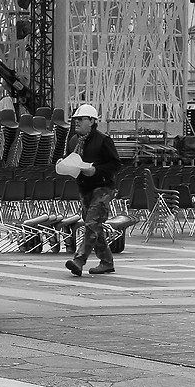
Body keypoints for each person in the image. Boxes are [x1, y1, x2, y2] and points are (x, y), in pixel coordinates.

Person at [63, 103, 124, 277]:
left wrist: (96, 170)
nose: (77, 123)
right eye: (76, 119)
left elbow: (116, 164)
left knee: (91, 223)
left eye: (81, 119)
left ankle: (79, 260)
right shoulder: (74, 141)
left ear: (91, 121)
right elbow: (71, 158)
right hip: (85, 187)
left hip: (103, 187)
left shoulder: (103, 140)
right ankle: (106, 262)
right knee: (94, 226)